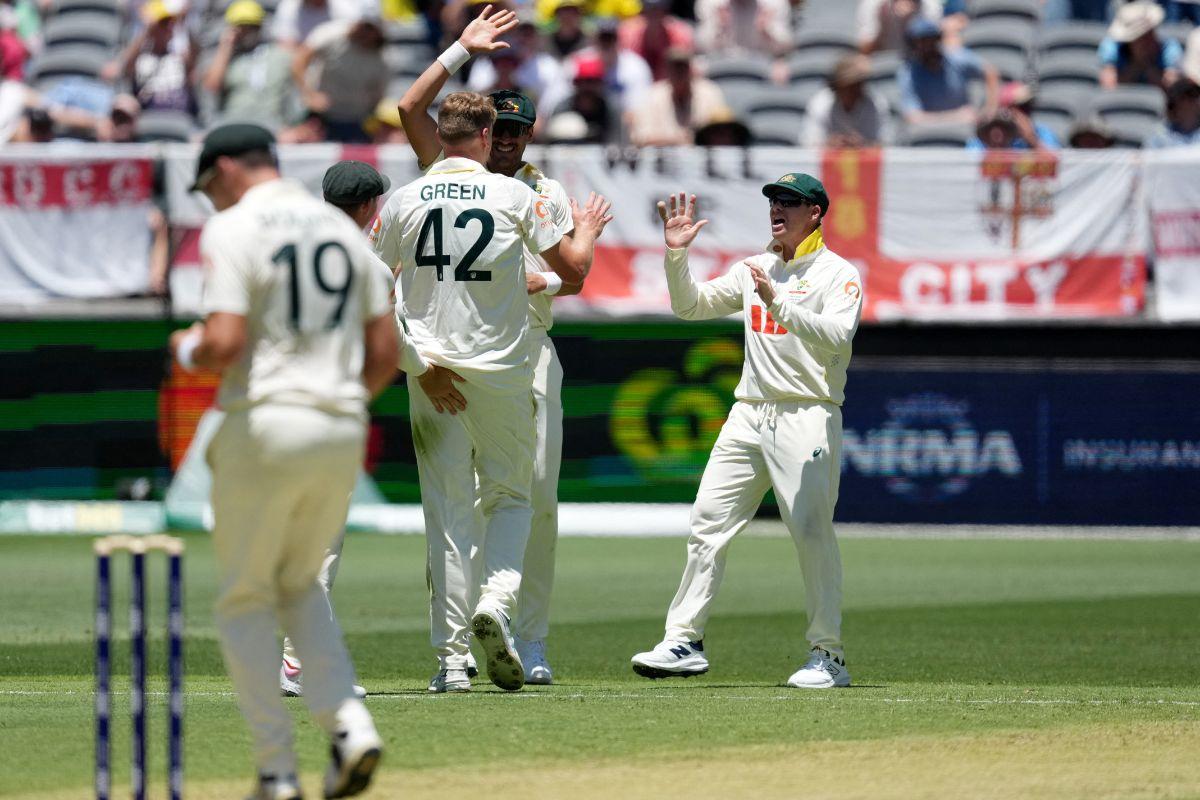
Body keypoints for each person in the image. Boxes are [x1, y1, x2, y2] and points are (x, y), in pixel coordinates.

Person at [170, 123, 395, 800]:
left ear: (227, 169)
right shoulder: (346, 236)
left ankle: (275, 768)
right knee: (299, 583)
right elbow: (384, 355)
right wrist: (335, 405)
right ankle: (351, 728)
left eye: (208, 187)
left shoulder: (234, 227)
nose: (210, 200)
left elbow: (223, 341)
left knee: (244, 596)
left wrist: (185, 348)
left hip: (266, 419)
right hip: (341, 426)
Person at [391, 4, 612, 692]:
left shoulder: (537, 189)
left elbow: (570, 278)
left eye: (519, 129)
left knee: (525, 499)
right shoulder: (457, 175)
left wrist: (545, 274)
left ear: (528, 133)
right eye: (502, 128)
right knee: (487, 501)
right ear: (486, 134)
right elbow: (410, 110)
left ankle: (520, 638)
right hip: (497, 359)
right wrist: (461, 48)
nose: (510, 139)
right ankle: (466, 643)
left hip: (510, 346)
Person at [630, 175, 863, 689]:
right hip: (749, 412)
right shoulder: (755, 268)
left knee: (811, 532)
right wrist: (676, 255)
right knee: (707, 524)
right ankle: (684, 641)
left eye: (789, 202)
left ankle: (829, 654)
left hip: (807, 412)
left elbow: (837, 336)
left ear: (816, 213)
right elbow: (690, 306)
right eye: (773, 201)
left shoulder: (839, 274)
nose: (777, 209)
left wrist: (778, 303)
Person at [278, 160, 426, 701]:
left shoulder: (286, 253)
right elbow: (393, 350)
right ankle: (301, 664)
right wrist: (429, 372)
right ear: (369, 207)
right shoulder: (370, 267)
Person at [292, 11, 388, 142]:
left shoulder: (384, 57)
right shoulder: (330, 34)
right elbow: (300, 60)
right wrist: (309, 94)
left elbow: (378, 95)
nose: (364, 32)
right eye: (363, 26)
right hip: (321, 116)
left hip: (357, 120)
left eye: (370, 28)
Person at [202, 0, 296, 128]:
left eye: (251, 26)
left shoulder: (279, 56)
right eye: (241, 27)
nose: (246, 32)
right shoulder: (225, 58)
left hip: (273, 125)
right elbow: (212, 87)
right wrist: (226, 48)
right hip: (233, 123)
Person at [897, 16, 999, 127]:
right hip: (928, 131)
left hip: (964, 129)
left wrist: (989, 111)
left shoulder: (956, 58)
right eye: (921, 42)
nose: (927, 47)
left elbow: (989, 72)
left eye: (930, 40)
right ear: (913, 45)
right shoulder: (908, 73)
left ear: (938, 39)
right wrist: (956, 117)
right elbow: (913, 117)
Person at [105, 0, 198, 117]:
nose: (170, 27)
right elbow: (123, 67)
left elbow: (195, 59)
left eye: (172, 22)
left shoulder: (180, 57)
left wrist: (183, 23)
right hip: (149, 115)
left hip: (179, 116)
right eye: (164, 23)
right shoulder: (140, 58)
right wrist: (147, 30)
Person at [629, 46, 727, 146]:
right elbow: (641, 139)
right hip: (663, 155)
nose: (679, 73)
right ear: (667, 71)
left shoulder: (709, 93)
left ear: (690, 69)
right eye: (674, 68)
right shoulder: (653, 96)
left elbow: (722, 133)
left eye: (683, 68)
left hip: (700, 154)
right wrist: (677, 140)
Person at [801, 53, 892, 148]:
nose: (855, 89)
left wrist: (863, 145)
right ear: (837, 86)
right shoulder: (820, 104)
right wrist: (829, 144)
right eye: (850, 85)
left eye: (859, 83)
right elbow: (807, 145)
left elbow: (885, 144)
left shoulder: (876, 103)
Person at [1099, 1, 1182, 89]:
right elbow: (1109, 87)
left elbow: (1173, 90)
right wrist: (1135, 65)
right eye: (1142, 36)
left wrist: (1148, 66)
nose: (1148, 40)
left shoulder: (1170, 48)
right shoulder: (1112, 47)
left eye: (1150, 33)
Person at [966, 82, 1059, 151]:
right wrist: (996, 145)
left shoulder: (1042, 133)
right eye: (1017, 108)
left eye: (1026, 108)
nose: (1022, 114)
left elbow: (1057, 164)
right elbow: (971, 166)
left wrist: (1032, 140)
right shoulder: (982, 138)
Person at [620, 0, 694, 79]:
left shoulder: (681, 35)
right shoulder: (628, 35)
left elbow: (686, 72)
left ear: (666, 11)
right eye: (649, 8)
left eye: (658, 9)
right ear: (643, 11)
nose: (654, 13)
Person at [695, 0, 793, 58]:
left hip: (760, 67)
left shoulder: (774, 3)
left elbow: (786, 47)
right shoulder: (710, 3)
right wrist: (718, 26)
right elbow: (701, 46)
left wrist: (768, 28)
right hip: (721, 65)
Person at [857, 0, 942, 54]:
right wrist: (882, 25)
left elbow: (932, 51)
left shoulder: (930, 6)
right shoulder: (873, 4)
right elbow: (865, 51)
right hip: (882, 64)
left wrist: (910, 22)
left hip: (916, 65)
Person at [1144, 76, 1200, 147]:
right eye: (1190, 96)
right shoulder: (1160, 135)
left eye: (1197, 95)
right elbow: (1148, 152)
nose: (1196, 101)